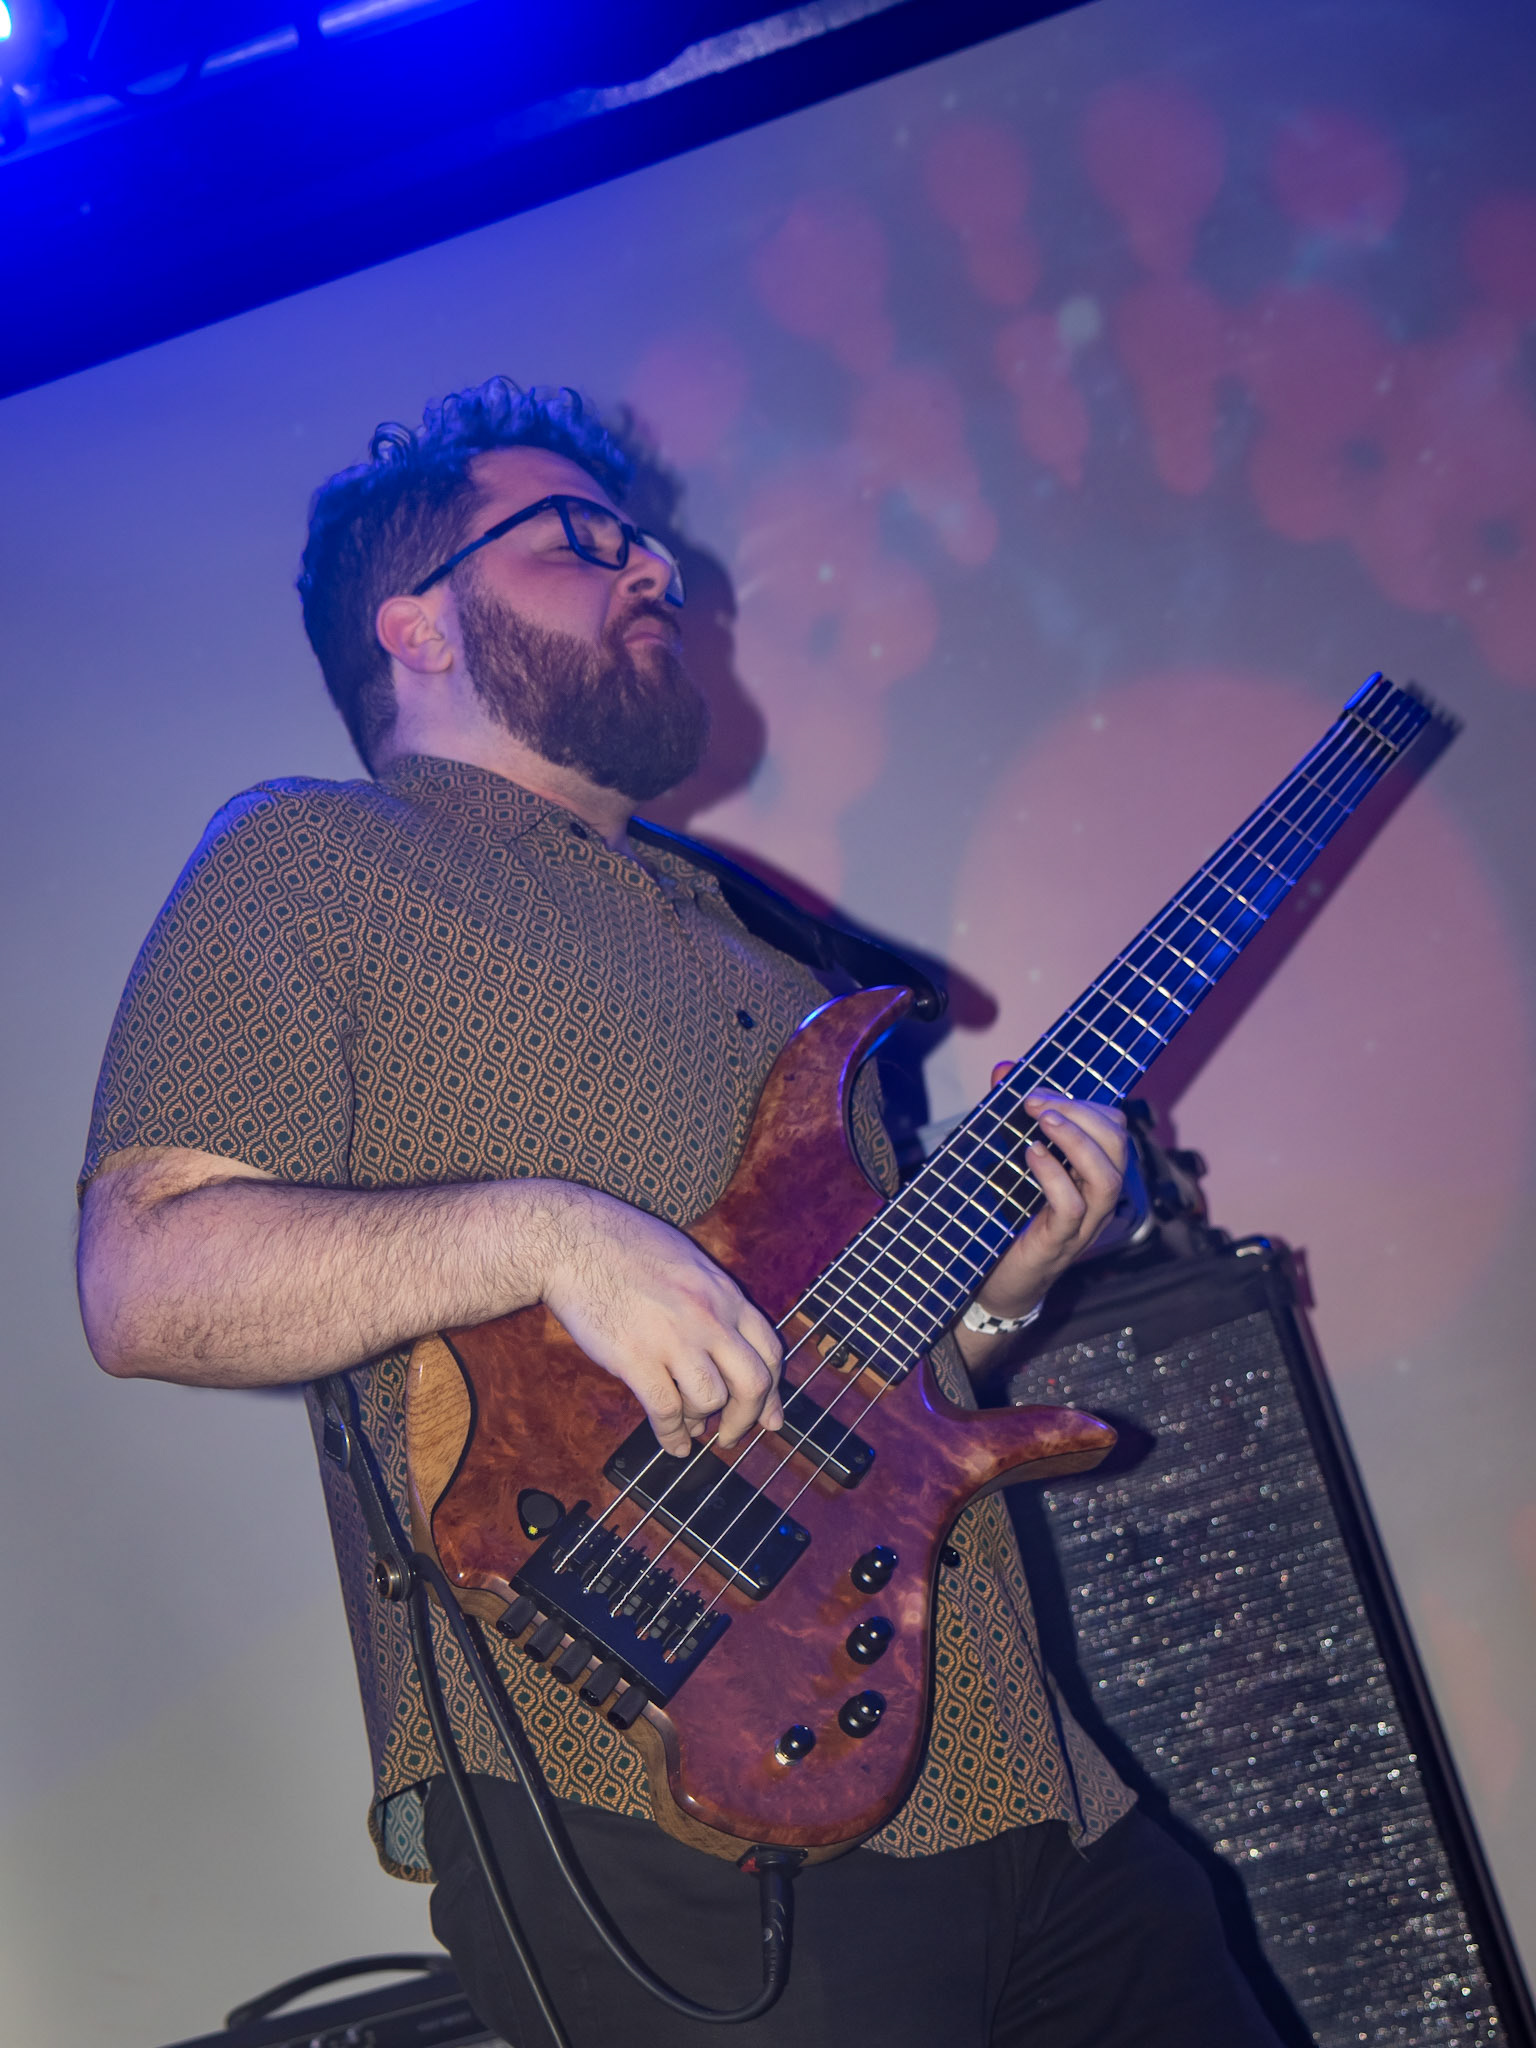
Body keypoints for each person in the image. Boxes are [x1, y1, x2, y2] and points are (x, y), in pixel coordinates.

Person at [76, 379, 1285, 2047]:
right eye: (581, 540)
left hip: (1029, 1773)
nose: (657, 570)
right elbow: (144, 1278)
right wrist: (546, 1233)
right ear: (415, 623)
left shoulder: (779, 962)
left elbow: (859, 1384)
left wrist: (1002, 1295)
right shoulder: (311, 858)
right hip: (650, 1795)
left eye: (644, 542)